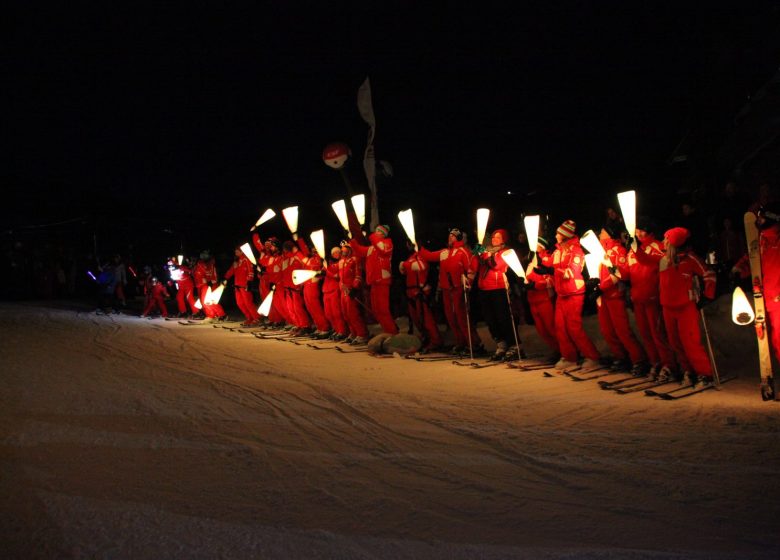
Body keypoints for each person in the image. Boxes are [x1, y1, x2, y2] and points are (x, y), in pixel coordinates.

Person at [539, 219, 601, 370]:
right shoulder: (559, 250)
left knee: (574, 327)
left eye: (557, 233)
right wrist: (540, 252)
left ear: (564, 235)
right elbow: (549, 261)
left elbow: (571, 272)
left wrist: (552, 271)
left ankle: (592, 357)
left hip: (574, 292)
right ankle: (569, 357)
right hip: (562, 293)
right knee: (560, 327)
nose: (555, 235)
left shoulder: (576, 251)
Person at [659, 227, 717, 387]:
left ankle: (705, 374)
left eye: (666, 239)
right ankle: (688, 370)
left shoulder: (690, 258)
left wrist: (707, 295)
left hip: (685, 307)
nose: (663, 241)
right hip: (667, 307)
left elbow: (709, 274)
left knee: (690, 342)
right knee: (675, 342)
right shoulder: (664, 260)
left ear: (673, 242)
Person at [627, 217, 677, 381]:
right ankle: (655, 362)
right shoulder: (634, 250)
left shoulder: (656, 246)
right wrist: (613, 270)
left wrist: (636, 248)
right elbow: (627, 273)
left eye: (641, 230)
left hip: (653, 297)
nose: (639, 233)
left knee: (657, 334)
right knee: (646, 334)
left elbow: (649, 261)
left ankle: (668, 364)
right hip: (639, 298)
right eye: (637, 230)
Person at [418, 228, 480, 355]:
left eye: (453, 236)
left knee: (461, 317)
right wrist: (418, 247)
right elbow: (428, 256)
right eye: (449, 236)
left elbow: (472, 267)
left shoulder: (463, 251)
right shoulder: (444, 252)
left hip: (458, 288)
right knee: (451, 317)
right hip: (446, 289)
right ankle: (461, 342)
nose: (450, 238)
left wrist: (469, 282)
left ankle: (473, 343)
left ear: (458, 238)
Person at [595, 227, 648, 375]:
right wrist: (595, 285)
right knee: (607, 330)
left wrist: (602, 286)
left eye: (602, 231)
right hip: (604, 297)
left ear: (609, 234)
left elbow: (619, 273)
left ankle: (639, 359)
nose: (599, 234)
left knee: (622, 330)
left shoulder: (618, 250)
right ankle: (621, 357)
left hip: (614, 296)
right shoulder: (601, 252)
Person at [733, 203, 780, 364]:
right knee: (776, 340)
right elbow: (753, 258)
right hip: (770, 297)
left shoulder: (776, 239)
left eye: (761, 217)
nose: (758, 221)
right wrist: (740, 269)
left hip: (777, 296)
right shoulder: (762, 239)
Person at [477, 229, 522, 361]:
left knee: (503, 318)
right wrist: (478, 250)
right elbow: (477, 260)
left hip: (498, 288)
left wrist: (484, 255)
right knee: (490, 319)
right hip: (484, 288)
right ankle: (501, 344)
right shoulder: (487, 250)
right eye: (493, 237)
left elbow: (496, 265)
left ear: (504, 240)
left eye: (498, 237)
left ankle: (515, 345)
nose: (494, 239)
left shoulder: (506, 252)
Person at [350, 224, 398, 335]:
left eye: (378, 231)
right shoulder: (371, 248)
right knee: (376, 310)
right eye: (376, 231)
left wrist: (371, 236)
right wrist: (352, 239)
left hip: (382, 280)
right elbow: (359, 250)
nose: (376, 233)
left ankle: (392, 332)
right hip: (373, 281)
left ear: (383, 233)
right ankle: (388, 331)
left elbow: (383, 250)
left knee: (383, 309)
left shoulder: (387, 243)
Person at [399, 240, 443, 352]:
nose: (407, 246)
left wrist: (404, 264)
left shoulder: (421, 255)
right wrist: (404, 266)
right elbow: (405, 271)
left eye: (409, 243)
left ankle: (435, 340)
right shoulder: (412, 257)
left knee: (427, 319)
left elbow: (420, 266)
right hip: (411, 292)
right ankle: (426, 338)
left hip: (420, 291)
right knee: (417, 319)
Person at [523, 236, 559, 361]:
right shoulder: (532, 259)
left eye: (536, 244)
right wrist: (525, 283)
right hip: (533, 299)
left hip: (545, 299)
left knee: (551, 328)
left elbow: (552, 280)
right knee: (542, 330)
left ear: (541, 246)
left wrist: (536, 285)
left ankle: (564, 351)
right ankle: (556, 350)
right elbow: (527, 276)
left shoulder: (548, 259)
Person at [298, 240, 332, 338]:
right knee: (310, 308)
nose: (313, 251)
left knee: (316, 308)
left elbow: (324, 270)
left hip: (313, 286)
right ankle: (319, 327)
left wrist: (320, 274)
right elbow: (301, 255)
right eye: (312, 249)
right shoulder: (309, 259)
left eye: (315, 250)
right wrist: (298, 240)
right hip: (306, 285)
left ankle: (325, 328)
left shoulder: (319, 259)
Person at [280, 240, 312, 335]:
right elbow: (284, 273)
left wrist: (300, 284)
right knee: (291, 308)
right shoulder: (286, 259)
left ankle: (305, 326)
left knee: (298, 308)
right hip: (288, 287)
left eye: (285, 249)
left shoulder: (297, 257)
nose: (284, 251)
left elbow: (305, 267)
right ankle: (298, 325)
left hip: (296, 287)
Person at [338, 241, 368, 344]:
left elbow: (358, 275)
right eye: (342, 249)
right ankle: (353, 332)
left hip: (351, 290)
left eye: (345, 248)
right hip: (343, 291)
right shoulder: (341, 261)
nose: (343, 250)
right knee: (345, 313)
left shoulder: (355, 260)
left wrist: (355, 288)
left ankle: (362, 334)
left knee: (353, 313)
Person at [225, 245, 261, 327]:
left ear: (241, 251)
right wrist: (225, 277)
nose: (235, 252)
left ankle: (257, 318)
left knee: (248, 302)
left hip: (245, 285)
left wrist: (249, 281)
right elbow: (232, 270)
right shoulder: (236, 261)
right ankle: (250, 318)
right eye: (235, 251)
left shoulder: (246, 259)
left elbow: (250, 271)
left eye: (237, 251)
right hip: (237, 285)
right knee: (240, 303)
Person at [193, 251, 228, 322]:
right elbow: (197, 273)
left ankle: (220, 315)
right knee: (205, 302)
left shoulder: (209, 264)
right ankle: (213, 315)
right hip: (200, 285)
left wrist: (210, 281)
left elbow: (212, 275)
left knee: (208, 301)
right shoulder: (201, 264)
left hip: (206, 285)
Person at [323, 247, 348, 341]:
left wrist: (326, 270)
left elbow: (335, 275)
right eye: (334, 253)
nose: (336, 254)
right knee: (329, 313)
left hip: (335, 289)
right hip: (326, 290)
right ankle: (336, 329)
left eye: (338, 252)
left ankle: (342, 331)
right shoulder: (330, 263)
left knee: (336, 313)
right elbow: (327, 271)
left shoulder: (341, 262)